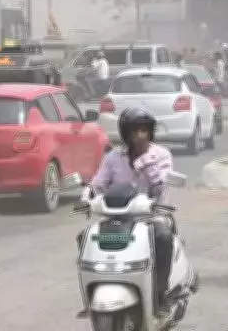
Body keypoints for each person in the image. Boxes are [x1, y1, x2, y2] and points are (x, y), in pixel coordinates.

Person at [83, 108, 175, 316]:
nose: (141, 136)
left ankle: (161, 294)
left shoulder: (160, 155)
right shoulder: (114, 157)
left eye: (145, 131)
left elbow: (161, 186)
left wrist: (144, 165)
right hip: (117, 216)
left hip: (152, 216)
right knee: (86, 237)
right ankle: (94, 289)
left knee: (162, 237)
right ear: (126, 134)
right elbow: (99, 182)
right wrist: (87, 195)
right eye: (135, 131)